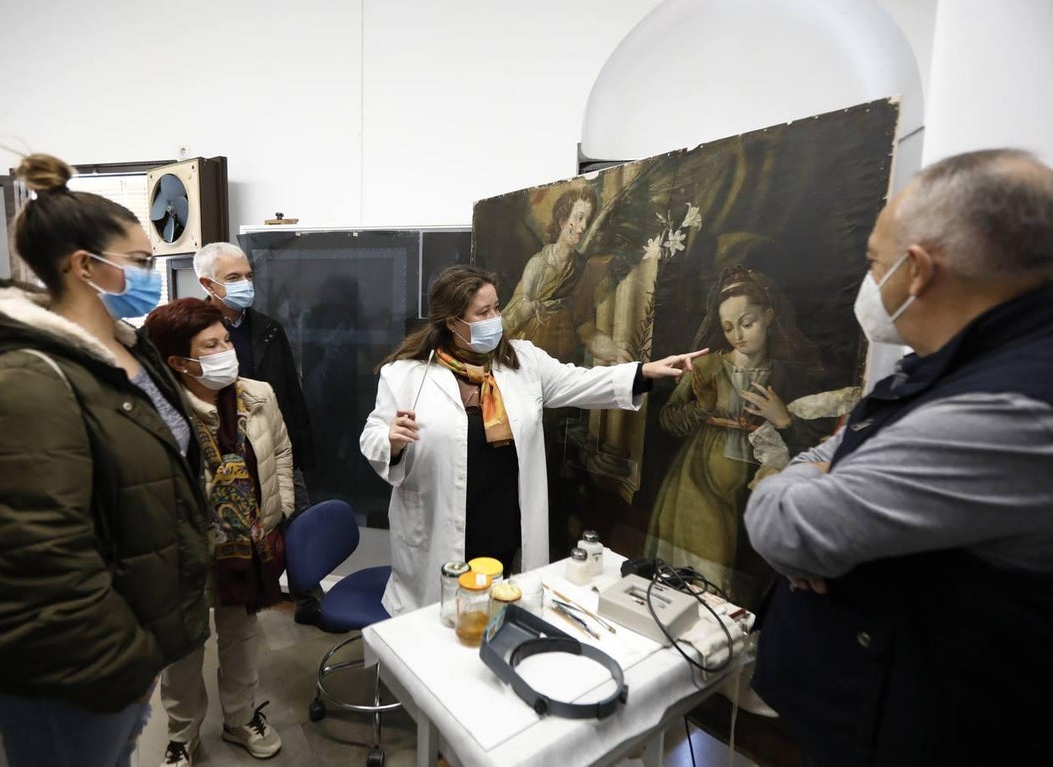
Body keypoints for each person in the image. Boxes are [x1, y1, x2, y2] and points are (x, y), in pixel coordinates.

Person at [744, 149, 1053, 766]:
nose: (869, 279)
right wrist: (826, 477)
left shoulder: (1010, 408)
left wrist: (795, 484)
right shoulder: (967, 365)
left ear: (914, 271)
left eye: (872, 263)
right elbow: (851, 442)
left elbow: (783, 524)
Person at [0, 153, 210, 767]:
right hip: (72, 670)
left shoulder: (127, 350)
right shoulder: (20, 381)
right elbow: (35, 567)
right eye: (139, 263)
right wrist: (122, 664)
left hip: (129, 643)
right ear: (86, 267)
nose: (154, 276)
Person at [360, 265, 707, 615]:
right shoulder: (406, 374)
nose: (496, 318)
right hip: (439, 526)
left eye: (496, 307)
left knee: (501, 610)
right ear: (452, 322)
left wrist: (646, 371)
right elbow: (373, 435)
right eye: (483, 312)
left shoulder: (522, 361)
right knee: (441, 628)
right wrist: (392, 442)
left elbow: (582, 383)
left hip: (505, 520)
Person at [145, 298, 293, 766]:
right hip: (182, 554)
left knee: (241, 636)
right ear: (177, 361)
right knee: (184, 649)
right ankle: (182, 733)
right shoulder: (154, 413)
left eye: (225, 340)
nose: (226, 350)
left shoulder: (258, 395)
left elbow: (283, 454)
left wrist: (278, 508)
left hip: (246, 546)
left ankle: (240, 717)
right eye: (210, 345)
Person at [645, 264, 829, 608]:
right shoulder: (707, 367)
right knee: (705, 580)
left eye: (747, 323)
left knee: (745, 583)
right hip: (697, 480)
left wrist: (783, 418)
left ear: (769, 315)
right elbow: (668, 420)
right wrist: (702, 407)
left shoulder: (789, 375)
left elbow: (820, 445)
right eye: (728, 327)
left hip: (756, 484)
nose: (738, 336)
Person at [194, 241, 321, 623]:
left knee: (298, 519)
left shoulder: (267, 328)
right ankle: (240, 595)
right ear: (209, 284)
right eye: (234, 278)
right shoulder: (190, 328)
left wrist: (301, 448)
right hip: (223, 452)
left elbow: (289, 393)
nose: (246, 284)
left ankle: (308, 598)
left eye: (248, 276)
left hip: (275, 444)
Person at [502, 187, 633, 364]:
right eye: (579, 218)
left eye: (587, 220)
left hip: (565, 357)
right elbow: (512, 314)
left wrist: (615, 353)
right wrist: (532, 306)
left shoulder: (580, 269)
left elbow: (585, 328)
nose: (584, 226)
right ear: (563, 221)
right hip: (532, 354)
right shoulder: (539, 263)